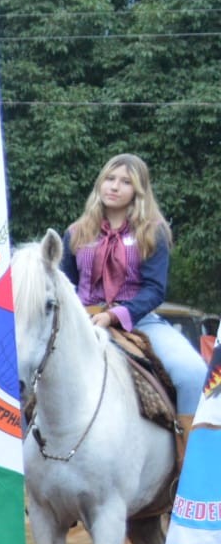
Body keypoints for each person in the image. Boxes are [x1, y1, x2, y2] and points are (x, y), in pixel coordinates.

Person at [62, 152, 207, 418]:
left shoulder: (153, 232)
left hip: (140, 322)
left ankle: (191, 456)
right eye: (110, 178)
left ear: (138, 190)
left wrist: (112, 315)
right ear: (100, 183)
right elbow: (64, 286)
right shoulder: (75, 232)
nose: (115, 186)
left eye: (126, 182)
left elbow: (154, 290)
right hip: (81, 321)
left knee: (193, 373)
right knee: (26, 368)